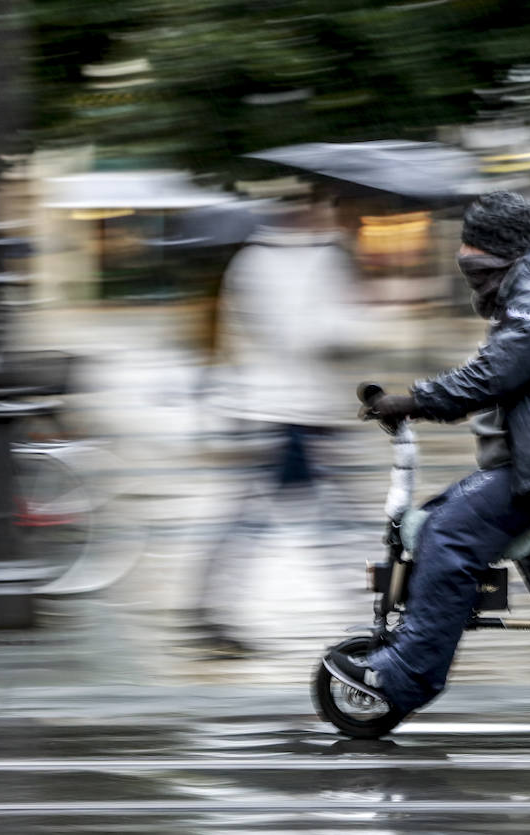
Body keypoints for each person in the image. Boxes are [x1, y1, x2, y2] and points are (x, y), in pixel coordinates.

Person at [323, 191, 530, 715]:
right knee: (433, 520)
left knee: (450, 535)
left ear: (496, 246)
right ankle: (421, 636)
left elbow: (492, 374)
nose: (464, 254)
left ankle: (408, 674)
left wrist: (412, 400)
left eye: (472, 244)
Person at [191, 187, 365, 656]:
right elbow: (294, 334)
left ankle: (211, 610)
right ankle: (364, 619)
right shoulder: (263, 262)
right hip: (278, 413)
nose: (319, 211)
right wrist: (344, 324)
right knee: (321, 521)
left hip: (302, 410)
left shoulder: (317, 256)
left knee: (280, 519)